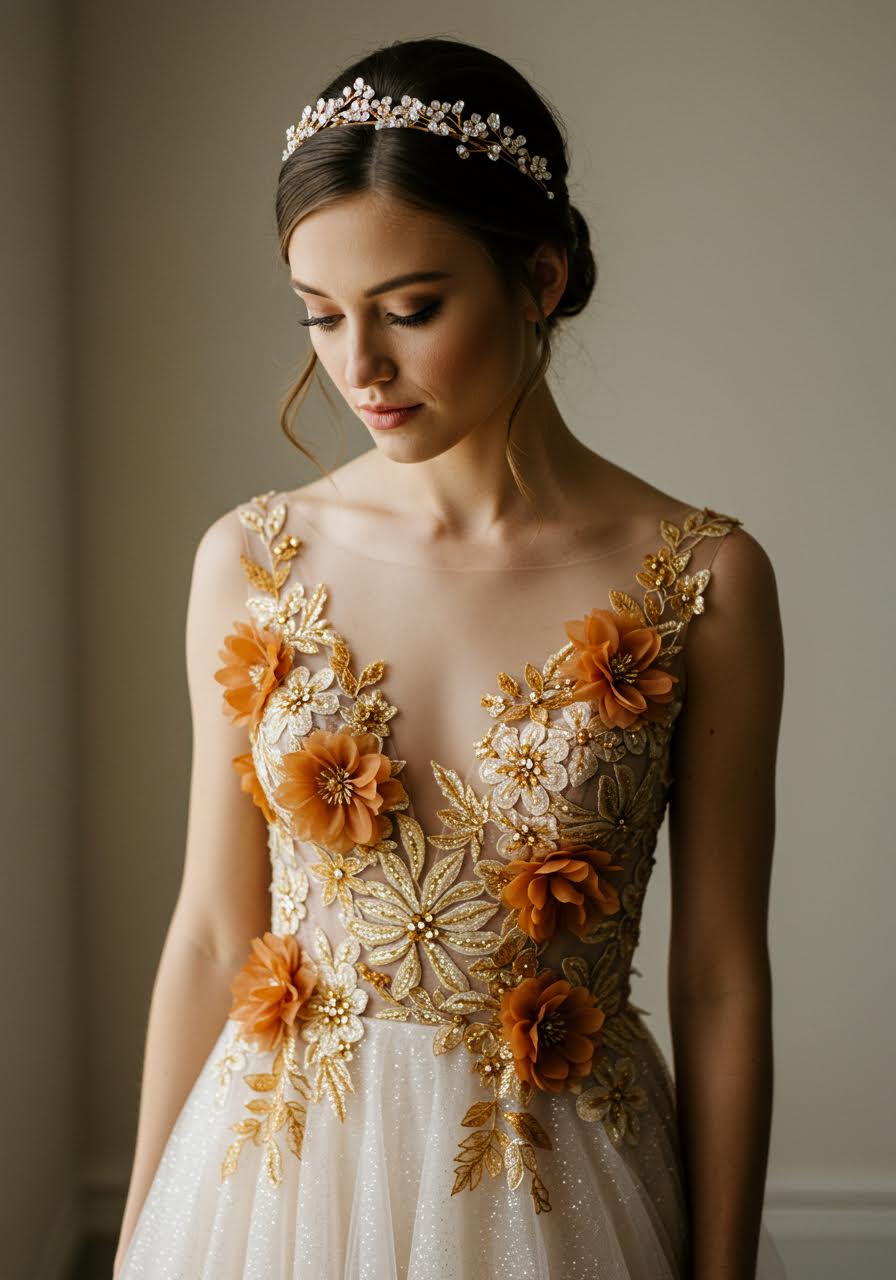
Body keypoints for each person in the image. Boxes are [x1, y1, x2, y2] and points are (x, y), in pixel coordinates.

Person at [114, 36, 788, 1279]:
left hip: (561, 1190)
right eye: (320, 316)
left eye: (409, 310)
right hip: (274, 1194)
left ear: (538, 276)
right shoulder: (251, 560)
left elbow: (717, 978)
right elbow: (213, 934)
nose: (357, 368)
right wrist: (135, 1241)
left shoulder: (704, 584)